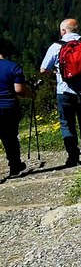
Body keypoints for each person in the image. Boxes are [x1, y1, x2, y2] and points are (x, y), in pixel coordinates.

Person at [40, 18, 81, 167]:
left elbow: (44, 70)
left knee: (66, 123)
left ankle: (73, 156)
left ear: (63, 31)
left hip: (65, 91)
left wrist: (56, 73)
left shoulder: (56, 46)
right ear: (77, 29)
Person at [0, 37, 35, 177]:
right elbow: (19, 90)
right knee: (10, 137)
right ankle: (14, 166)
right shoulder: (14, 67)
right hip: (8, 107)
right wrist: (31, 95)